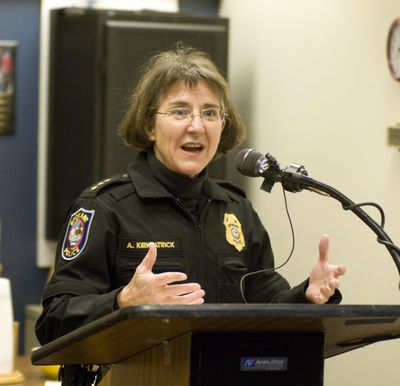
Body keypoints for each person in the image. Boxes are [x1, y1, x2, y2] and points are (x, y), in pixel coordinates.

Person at [35, 44, 346, 347]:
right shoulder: (103, 207)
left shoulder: (237, 210)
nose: (197, 126)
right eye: (180, 111)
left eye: (210, 113)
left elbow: (267, 307)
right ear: (149, 125)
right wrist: (122, 301)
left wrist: (308, 295)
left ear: (223, 126)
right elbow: (54, 322)